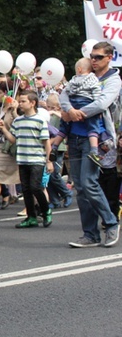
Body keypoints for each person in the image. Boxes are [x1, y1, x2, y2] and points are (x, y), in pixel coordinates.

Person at [60, 41, 120, 248]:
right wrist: (68, 110)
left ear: (109, 58)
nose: (93, 60)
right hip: (75, 137)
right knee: (82, 189)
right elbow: (64, 95)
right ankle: (90, 234)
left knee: (89, 182)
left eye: (98, 57)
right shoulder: (80, 77)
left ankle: (111, 222)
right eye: (92, 57)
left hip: (95, 137)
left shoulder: (113, 80)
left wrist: (78, 113)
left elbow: (102, 103)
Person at [0, 91, 53, 228]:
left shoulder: (40, 121)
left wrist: (49, 160)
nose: (20, 104)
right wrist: (4, 129)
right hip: (22, 159)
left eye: (23, 101)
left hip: (37, 160)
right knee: (26, 189)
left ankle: (46, 210)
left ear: (32, 103)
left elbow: (46, 142)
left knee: (36, 187)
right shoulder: (18, 121)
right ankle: (31, 216)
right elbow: (13, 140)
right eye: (20, 101)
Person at [53, 58, 109, 167]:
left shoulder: (73, 80)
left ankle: (54, 147)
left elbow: (65, 92)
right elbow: (98, 96)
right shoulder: (93, 79)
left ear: (78, 69)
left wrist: (71, 110)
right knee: (93, 127)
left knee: (64, 126)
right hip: (87, 103)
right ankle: (94, 150)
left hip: (73, 102)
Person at [0, 82, 22, 212]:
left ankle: (34, 206)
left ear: (8, 94)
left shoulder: (18, 109)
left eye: (0, 92)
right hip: (1, 147)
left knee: (25, 178)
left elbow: (20, 124)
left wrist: (13, 110)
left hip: (14, 148)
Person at [45, 94, 73, 209]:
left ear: (57, 106)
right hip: (49, 147)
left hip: (58, 147)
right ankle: (54, 199)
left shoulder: (59, 116)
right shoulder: (48, 116)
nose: (49, 110)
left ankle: (66, 192)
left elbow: (60, 131)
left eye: (51, 107)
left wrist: (55, 113)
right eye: (48, 107)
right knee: (48, 175)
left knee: (55, 174)